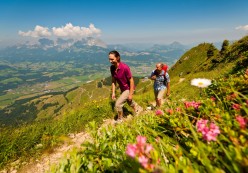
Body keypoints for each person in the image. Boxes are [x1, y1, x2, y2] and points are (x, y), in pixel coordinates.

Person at [109, 50, 143, 122]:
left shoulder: (125, 67)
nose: (110, 61)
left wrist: (130, 93)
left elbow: (131, 81)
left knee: (118, 104)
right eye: (109, 59)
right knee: (129, 101)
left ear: (117, 58)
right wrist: (113, 92)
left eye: (112, 59)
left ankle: (120, 118)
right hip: (123, 89)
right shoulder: (112, 68)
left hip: (129, 88)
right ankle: (138, 109)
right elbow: (113, 81)